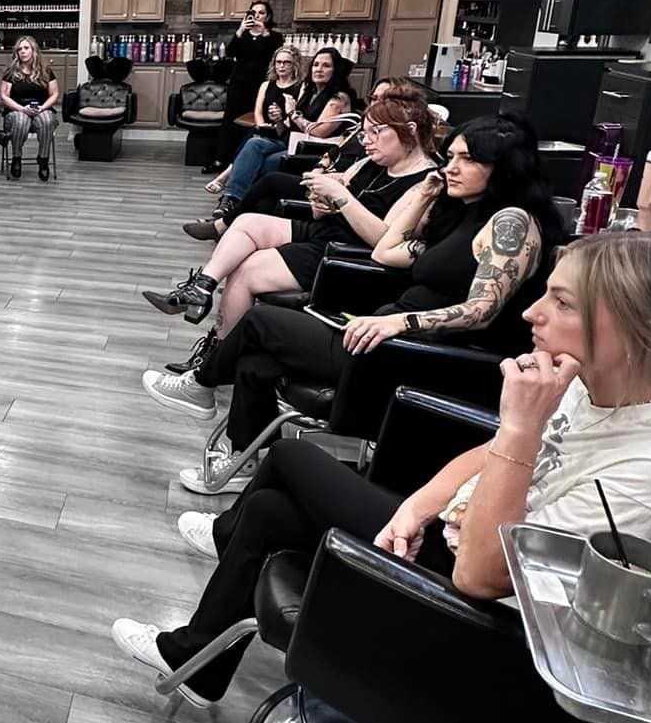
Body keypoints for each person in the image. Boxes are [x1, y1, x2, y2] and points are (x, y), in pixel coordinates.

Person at [111, 232, 651, 700]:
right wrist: (417, 505)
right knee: (268, 508)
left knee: (290, 456)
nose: (533, 313)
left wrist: (519, 425)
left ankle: (217, 556)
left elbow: (483, 578)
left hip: (491, 625)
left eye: (562, 303)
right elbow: (491, 453)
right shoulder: (596, 381)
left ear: (647, 334)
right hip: (464, 537)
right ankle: (198, 659)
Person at [169, 113, 568, 492]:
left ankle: (202, 384)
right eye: (451, 157)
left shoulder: (511, 223)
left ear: (504, 166)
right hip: (378, 336)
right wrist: (425, 193)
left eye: (467, 159)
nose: (452, 167)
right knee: (257, 363)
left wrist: (401, 323)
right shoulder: (464, 215)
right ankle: (243, 462)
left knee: (261, 324)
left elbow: (482, 311)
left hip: (412, 354)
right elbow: (385, 252)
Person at [146, 86, 438, 335]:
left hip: (342, 251)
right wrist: (323, 198)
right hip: (327, 230)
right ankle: (202, 287)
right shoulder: (375, 162)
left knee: (246, 268)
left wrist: (341, 197)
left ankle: (216, 356)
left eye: (376, 132)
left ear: (410, 130)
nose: (368, 141)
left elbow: (383, 241)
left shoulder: (425, 184)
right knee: (247, 222)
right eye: (365, 134)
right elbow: (326, 208)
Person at [194, 47, 359, 234]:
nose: (319, 69)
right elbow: (287, 128)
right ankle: (231, 203)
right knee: (254, 143)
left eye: (326, 66)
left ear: (335, 70)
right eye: (316, 65)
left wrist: (292, 112)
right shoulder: (309, 92)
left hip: (316, 152)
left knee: (265, 162)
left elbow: (319, 131)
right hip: (292, 142)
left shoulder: (339, 98)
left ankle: (232, 212)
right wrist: (280, 118)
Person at [209, 0, 278, 170]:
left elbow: (274, 55)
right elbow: (231, 52)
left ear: (268, 16)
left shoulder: (274, 36)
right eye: (253, 12)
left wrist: (264, 33)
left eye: (261, 13)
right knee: (230, 122)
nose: (257, 16)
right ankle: (221, 160)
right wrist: (240, 29)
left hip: (260, 86)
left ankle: (245, 162)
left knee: (255, 122)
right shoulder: (244, 34)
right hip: (238, 84)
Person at [0, 36, 61, 180]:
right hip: (16, 111)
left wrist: (42, 107)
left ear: (34, 50)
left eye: (26, 48)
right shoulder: (11, 72)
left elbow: (55, 94)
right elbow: (3, 96)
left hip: (41, 109)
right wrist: (22, 109)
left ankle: (43, 160)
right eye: (19, 49)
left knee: (46, 120)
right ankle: (16, 158)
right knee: (21, 120)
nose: (23, 51)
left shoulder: (46, 71)